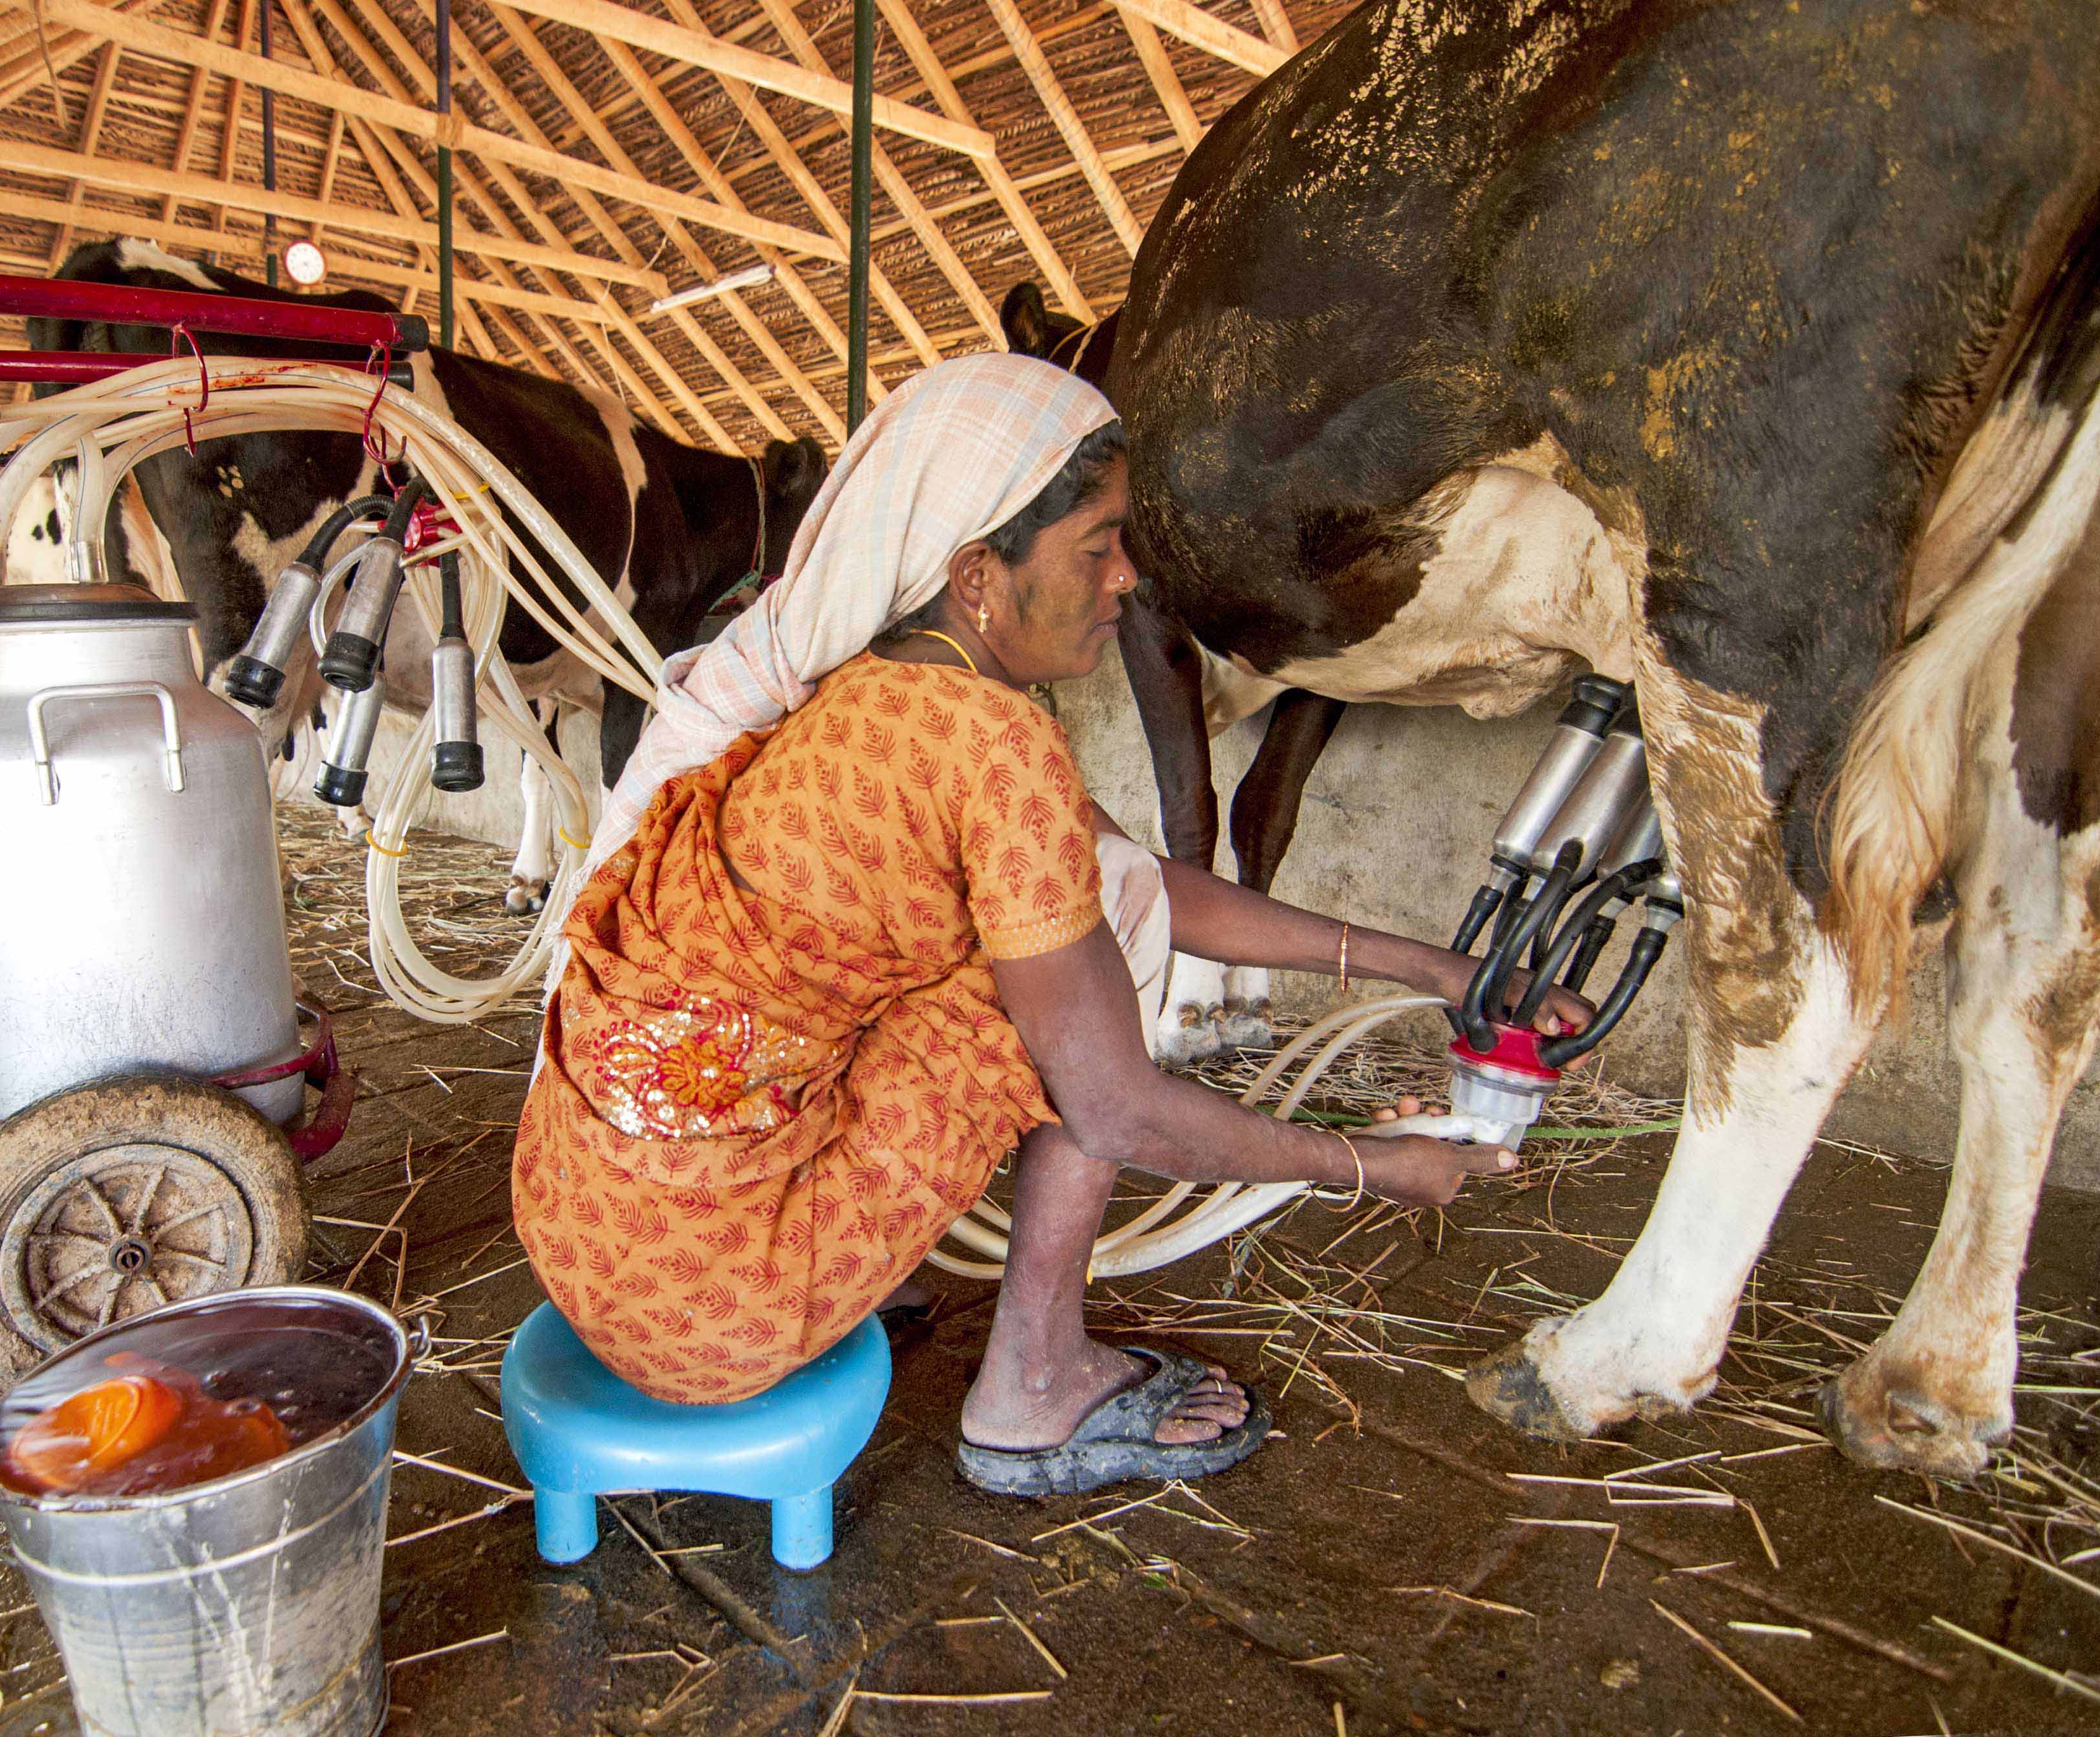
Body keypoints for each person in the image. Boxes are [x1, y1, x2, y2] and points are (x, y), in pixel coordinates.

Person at [512, 356, 1592, 1495]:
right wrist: (1374, 1167)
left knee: (1061, 925)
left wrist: (1437, 969)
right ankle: (1033, 1382)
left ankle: (864, 1256)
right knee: (1075, 995)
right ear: (979, 574)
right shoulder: (992, 742)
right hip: (715, 1313)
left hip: (588, 1237)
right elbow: (1114, 1103)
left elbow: (1125, 876)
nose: (1128, 579)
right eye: (1098, 543)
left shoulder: (866, 682)